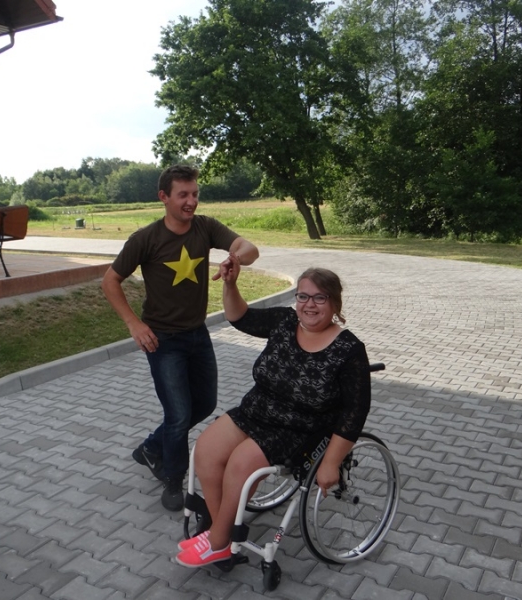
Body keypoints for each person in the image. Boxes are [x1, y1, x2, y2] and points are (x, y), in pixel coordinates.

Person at [175, 263, 371, 567]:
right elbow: (240, 317)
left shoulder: (349, 349)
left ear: (334, 302)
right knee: (205, 450)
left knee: (240, 464)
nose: (309, 305)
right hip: (255, 410)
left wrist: (331, 462)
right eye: (303, 296)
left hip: (298, 428)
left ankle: (217, 542)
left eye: (319, 298)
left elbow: (355, 411)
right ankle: (221, 526)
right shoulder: (285, 321)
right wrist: (230, 284)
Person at [102, 164, 259, 511]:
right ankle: (174, 479)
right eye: (183, 195)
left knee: (204, 404)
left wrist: (235, 258)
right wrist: (133, 324)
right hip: (162, 341)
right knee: (178, 414)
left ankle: (151, 447)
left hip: (198, 335)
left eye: (195, 194)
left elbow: (248, 248)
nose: (191, 201)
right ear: (164, 197)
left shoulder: (205, 227)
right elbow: (110, 281)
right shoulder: (145, 239)